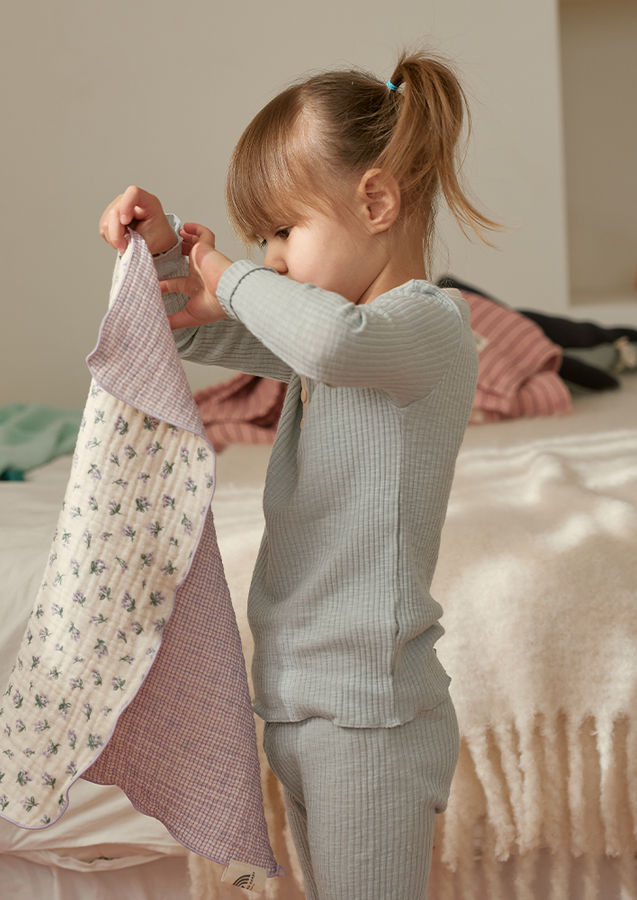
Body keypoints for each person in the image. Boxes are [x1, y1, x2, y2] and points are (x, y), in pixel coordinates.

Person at [99, 48, 498, 900]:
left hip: (371, 713)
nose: (270, 259)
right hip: (299, 695)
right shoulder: (337, 334)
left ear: (378, 201)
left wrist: (226, 272)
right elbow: (194, 334)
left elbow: (325, 340)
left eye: (284, 232)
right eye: (261, 241)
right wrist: (170, 253)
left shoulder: (420, 328)